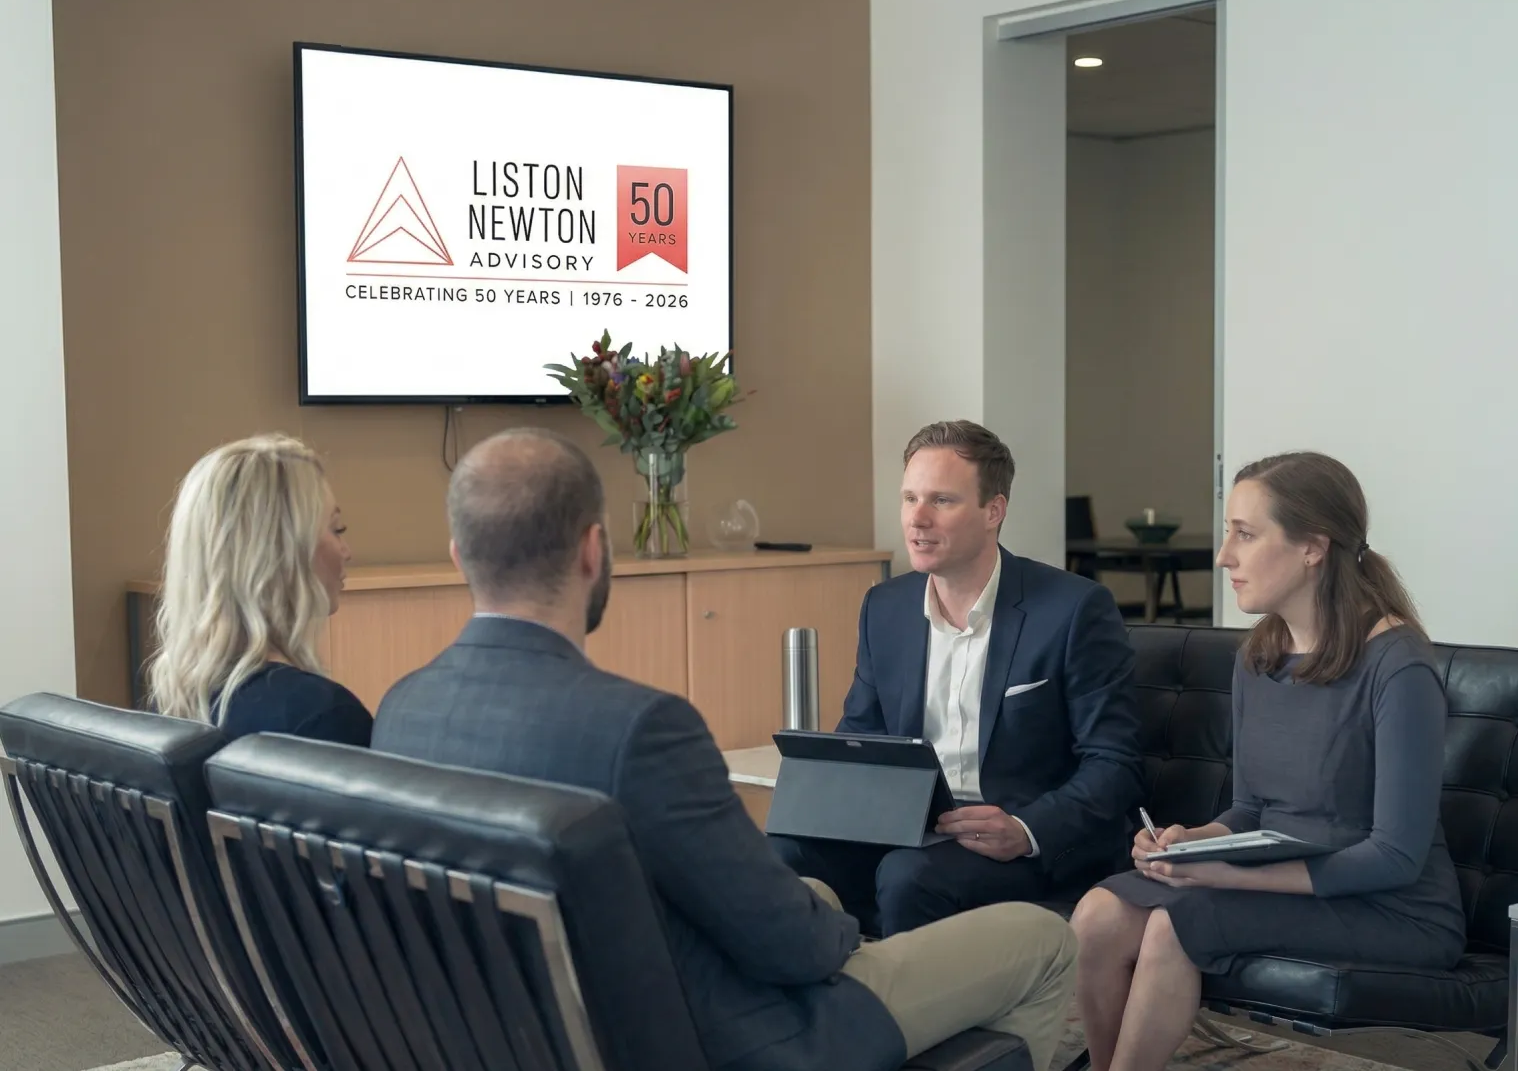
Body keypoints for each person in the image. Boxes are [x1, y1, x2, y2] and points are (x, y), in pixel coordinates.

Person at [371, 428, 1078, 1071]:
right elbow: (791, 946)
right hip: (737, 1033)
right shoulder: (640, 726)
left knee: (815, 887)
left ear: (460, 556)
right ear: (593, 550)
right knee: (1037, 940)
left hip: (533, 1024)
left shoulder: (402, 710)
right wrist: (835, 934)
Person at [1069, 451, 1466, 1071]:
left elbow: (1394, 856)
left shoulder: (1400, 666)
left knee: (1180, 925)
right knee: (1096, 914)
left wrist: (1227, 876)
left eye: (1245, 535)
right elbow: (1252, 808)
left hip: (1393, 907)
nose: (1224, 555)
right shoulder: (1260, 654)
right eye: (1228, 532)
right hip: (1285, 881)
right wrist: (1190, 844)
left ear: (1313, 546)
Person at [771, 420, 1143, 935]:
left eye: (941, 500)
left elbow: (1115, 763)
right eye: (909, 498)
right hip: (910, 828)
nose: (917, 519)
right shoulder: (886, 606)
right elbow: (863, 737)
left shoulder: (1074, 609)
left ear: (994, 511)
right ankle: (820, 1013)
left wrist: (1026, 828)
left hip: (1023, 838)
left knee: (908, 877)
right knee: (779, 854)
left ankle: (921, 1014)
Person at [147, 433, 371, 746]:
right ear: (281, 553)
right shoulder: (323, 716)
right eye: (336, 530)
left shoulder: (172, 701)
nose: (346, 551)